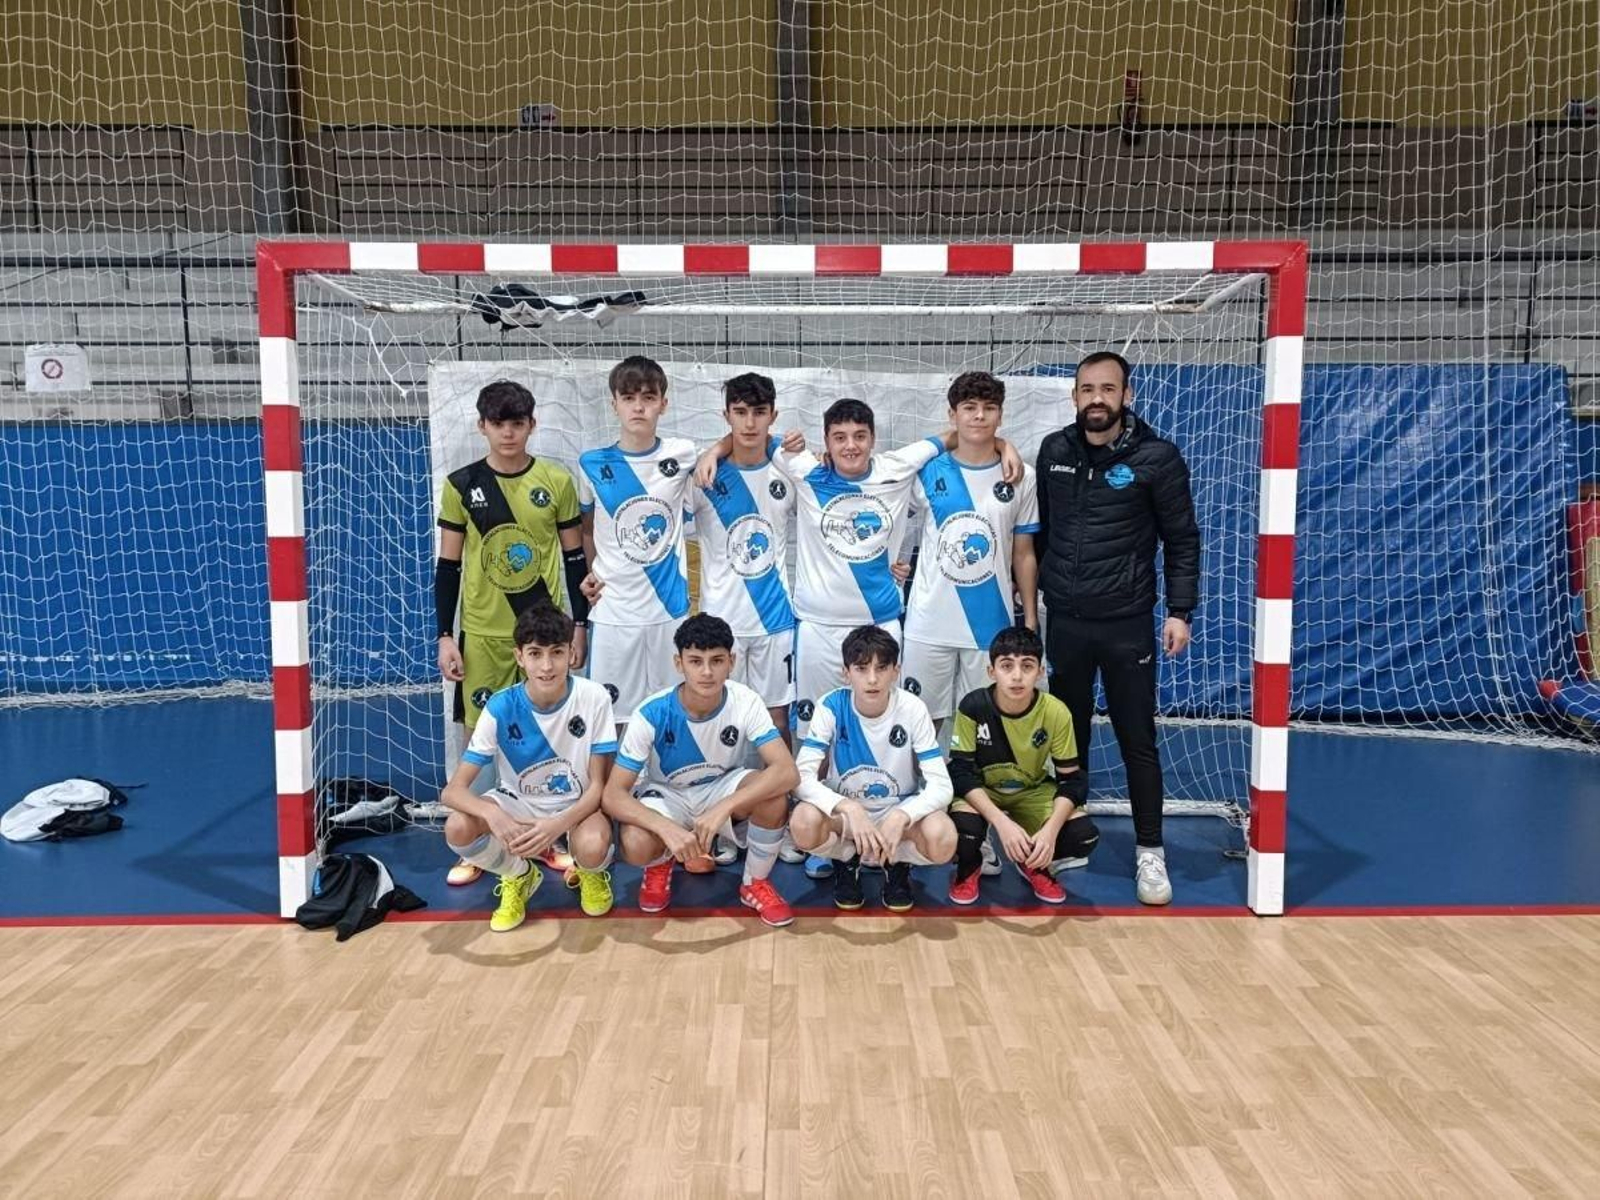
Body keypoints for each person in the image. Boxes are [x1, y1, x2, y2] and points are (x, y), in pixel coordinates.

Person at [1034, 350, 1200, 906]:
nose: (1097, 399)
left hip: (1127, 624)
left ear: (1127, 396)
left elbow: (1182, 539)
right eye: (1087, 389)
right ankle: (1070, 834)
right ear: (1075, 397)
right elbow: (1043, 531)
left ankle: (1150, 850)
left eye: (1108, 389)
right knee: (1067, 737)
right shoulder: (1055, 451)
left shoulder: (1158, 457)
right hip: (1065, 623)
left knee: (1137, 739)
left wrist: (1180, 611)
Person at [435, 380, 590, 888]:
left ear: (531, 425)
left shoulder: (556, 480)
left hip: (544, 634)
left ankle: (549, 838)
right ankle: (480, 841)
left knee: (549, 734)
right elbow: (448, 566)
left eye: (517, 423)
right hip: (482, 634)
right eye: (498, 423)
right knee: (477, 736)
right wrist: (445, 634)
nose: (508, 433)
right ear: (482, 426)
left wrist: (580, 625)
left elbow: (574, 559)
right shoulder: (462, 484)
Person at [601, 614, 801, 927]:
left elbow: (788, 772)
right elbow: (613, 795)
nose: (707, 672)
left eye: (716, 660)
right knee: (637, 843)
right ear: (678, 663)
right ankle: (660, 862)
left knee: (773, 795)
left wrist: (725, 806)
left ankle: (754, 882)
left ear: (731, 661)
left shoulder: (745, 701)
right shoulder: (652, 712)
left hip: (721, 786)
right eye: (695, 661)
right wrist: (665, 828)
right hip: (667, 794)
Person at [439, 605, 618, 930]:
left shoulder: (593, 698)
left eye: (556, 652)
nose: (547, 666)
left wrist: (557, 825)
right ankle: (518, 874)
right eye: (535, 654)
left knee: (593, 845)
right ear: (519, 657)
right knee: (458, 827)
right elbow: (452, 792)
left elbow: (597, 787)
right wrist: (493, 814)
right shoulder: (500, 706)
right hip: (519, 805)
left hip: (576, 806)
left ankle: (589, 872)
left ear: (571, 653)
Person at [897, 370, 1041, 727]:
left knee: (984, 725)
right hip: (928, 622)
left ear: (1000, 415)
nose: (979, 416)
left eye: (989, 408)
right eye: (969, 407)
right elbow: (887, 512)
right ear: (953, 415)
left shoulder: (1021, 476)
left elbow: (1023, 552)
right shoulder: (926, 471)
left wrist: (1031, 618)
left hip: (990, 623)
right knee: (921, 723)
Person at [788, 625, 956, 911]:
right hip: (847, 817)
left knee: (943, 838)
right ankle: (846, 859)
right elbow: (800, 778)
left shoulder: (913, 708)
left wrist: (902, 815)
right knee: (803, 823)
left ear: (896, 671)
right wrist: (848, 808)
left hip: (898, 811)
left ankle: (896, 862)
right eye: (861, 668)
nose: (872, 679)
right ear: (846, 672)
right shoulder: (831, 706)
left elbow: (942, 785)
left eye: (881, 668)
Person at [576, 356, 698, 726]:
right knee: (610, 719)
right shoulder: (590, 464)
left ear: (664, 403)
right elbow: (586, 528)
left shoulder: (683, 454)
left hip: (668, 611)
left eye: (648, 397)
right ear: (614, 404)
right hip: (614, 611)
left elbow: (729, 449)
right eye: (628, 398)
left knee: (673, 716)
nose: (639, 407)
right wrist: (589, 572)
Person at [946, 626, 1099, 906]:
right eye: (1007, 666)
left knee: (1083, 837)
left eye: (1027, 666)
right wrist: (1001, 822)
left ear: (1040, 672)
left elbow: (1072, 781)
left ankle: (1033, 863)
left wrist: (1050, 832)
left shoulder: (1056, 711)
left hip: (1032, 790)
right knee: (962, 830)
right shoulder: (973, 706)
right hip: (983, 791)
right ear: (991, 671)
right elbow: (960, 774)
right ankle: (970, 865)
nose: (1017, 676)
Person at [688, 373, 798, 735]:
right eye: (740, 412)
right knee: (718, 715)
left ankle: (779, 777)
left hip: (774, 619)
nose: (750, 423)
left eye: (759, 412)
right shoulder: (704, 475)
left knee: (777, 718)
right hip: (722, 619)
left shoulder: (789, 470)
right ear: (726, 416)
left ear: (773, 415)